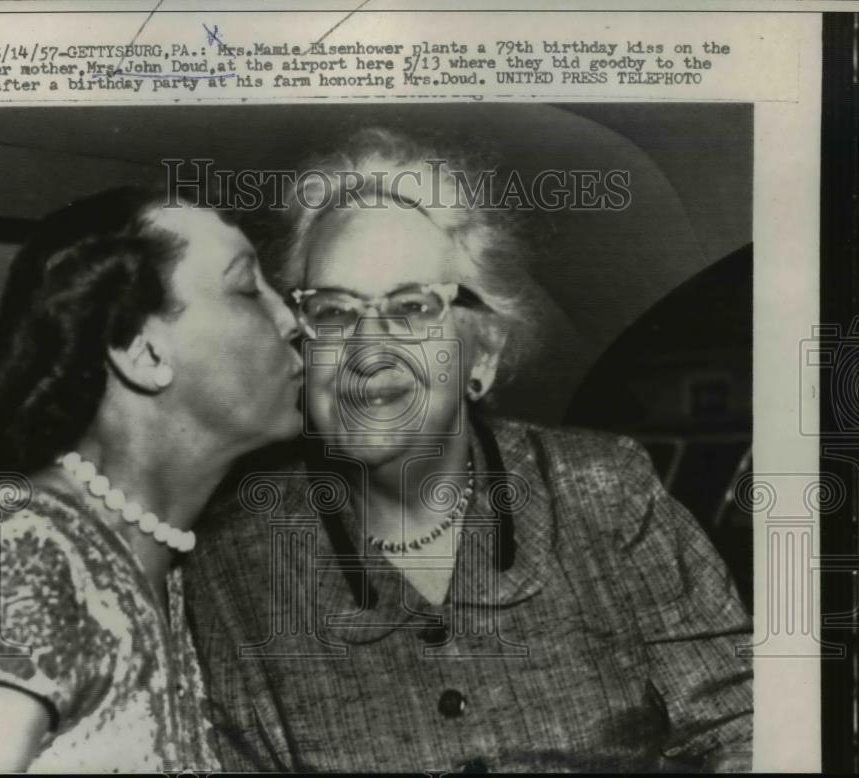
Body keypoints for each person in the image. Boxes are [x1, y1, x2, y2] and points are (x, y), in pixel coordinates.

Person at [185, 129, 754, 773]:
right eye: (336, 313)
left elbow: (743, 728)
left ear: (481, 353)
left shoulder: (603, 490)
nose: (370, 350)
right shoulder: (232, 560)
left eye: (411, 307)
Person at [0, 186, 303, 772]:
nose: (292, 320)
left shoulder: (163, 575)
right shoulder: (19, 544)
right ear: (142, 353)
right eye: (248, 289)